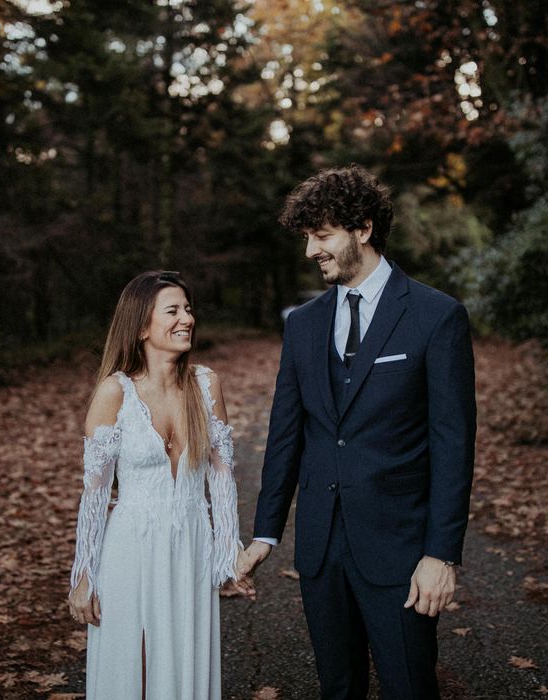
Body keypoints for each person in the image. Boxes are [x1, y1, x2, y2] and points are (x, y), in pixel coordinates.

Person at [240, 165, 477, 699]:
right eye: (307, 238)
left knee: (408, 687)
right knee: (337, 688)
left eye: (321, 236)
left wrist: (441, 555)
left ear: (363, 229)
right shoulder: (302, 324)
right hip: (322, 549)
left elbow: (453, 444)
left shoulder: (437, 317)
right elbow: (286, 434)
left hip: (401, 549)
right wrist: (265, 533)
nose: (311, 251)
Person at [68, 270, 252, 700]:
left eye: (188, 309)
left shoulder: (206, 386)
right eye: (172, 310)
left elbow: (222, 479)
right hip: (129, 549)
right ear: (142, 327)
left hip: (191, 544)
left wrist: (229, 554)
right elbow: (94, 495)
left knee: (183, 663)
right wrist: (83, 575)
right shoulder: (114, 393)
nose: (186, 318)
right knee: (135, 664)